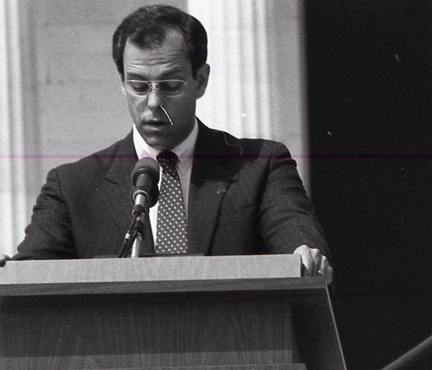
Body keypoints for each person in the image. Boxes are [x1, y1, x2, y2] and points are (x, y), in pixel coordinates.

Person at [11, 5, 331, 281]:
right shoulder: (71, 186)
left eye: (170, 86)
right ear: (122, 83)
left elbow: (300, 247)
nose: (153, 103)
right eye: (138, 86)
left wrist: (305, 256)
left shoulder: (261, 166)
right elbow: (27, 283)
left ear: (201, 80)